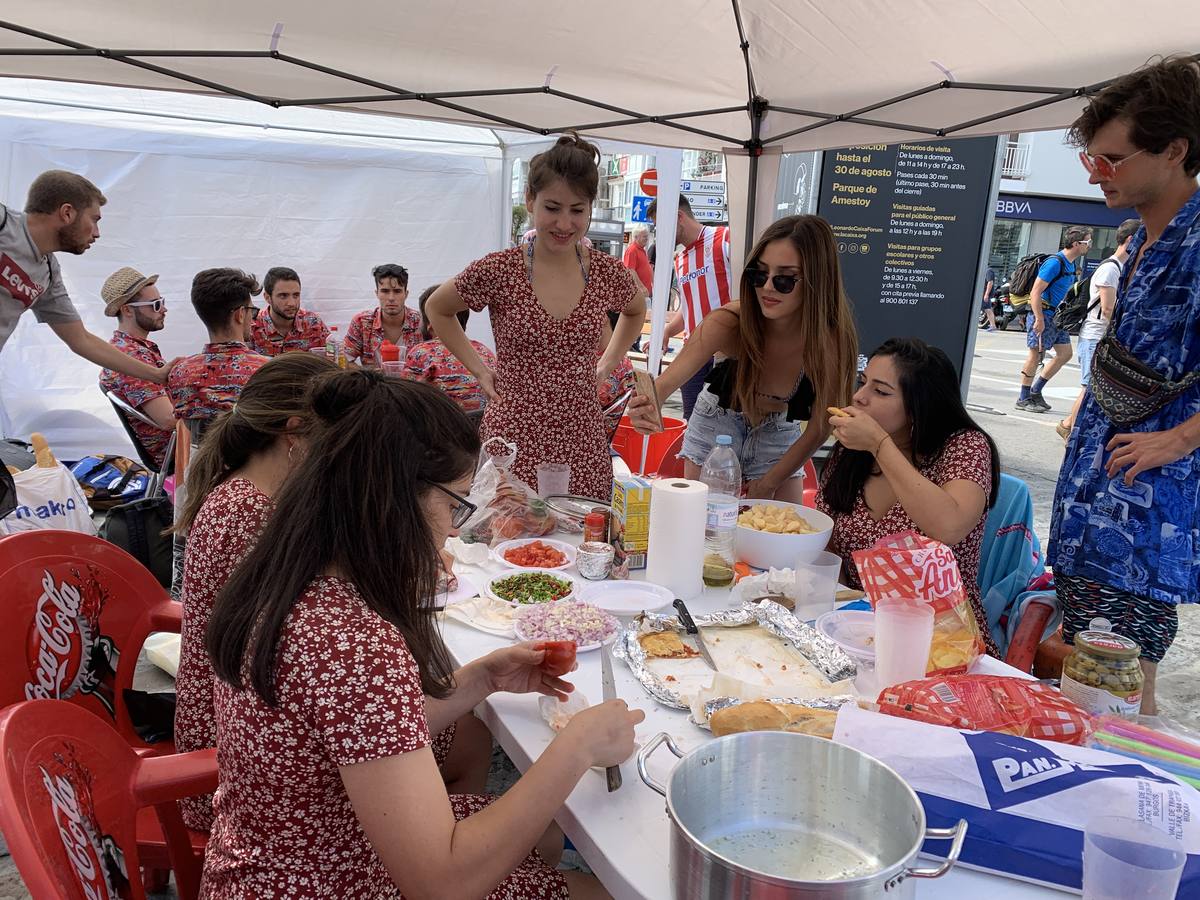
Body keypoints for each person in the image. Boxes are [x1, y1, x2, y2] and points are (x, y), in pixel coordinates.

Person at [202, 370, 640, 898]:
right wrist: (578, 746)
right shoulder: (354, 643)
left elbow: (354, 733)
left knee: (545, 834)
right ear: (390, 496)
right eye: (455, 502)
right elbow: (442, 883)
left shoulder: (284, 574)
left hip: (272, 860)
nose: (455, 528)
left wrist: (477, 681)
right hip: (331, 876)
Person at [1048, 56, 1200, 715]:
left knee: (1121, 683)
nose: (1093, 171)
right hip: (1098, 497)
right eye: (1090, 156)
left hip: (1144, 513)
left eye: (1111, 158)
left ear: (1175, 150)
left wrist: (1179, 440)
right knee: (1088, 668)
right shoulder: (1141, 239)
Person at [426, 133, 647, 502]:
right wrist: (479, 369)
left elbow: (636, 309)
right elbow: (438, 307)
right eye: (552, 207)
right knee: (504, 541)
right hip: (513, 433)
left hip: (581, 436)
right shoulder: (500, 269)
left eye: (577, 210)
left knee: (580, 539)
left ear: (590, 208)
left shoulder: (607, 272)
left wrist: (609, 362)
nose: (564, 223)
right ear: (530, 200)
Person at [173, 351, 336, 832]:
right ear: (294, 435)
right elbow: (307, 635)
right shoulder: (253, 514)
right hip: (233, 745)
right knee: (459, 735)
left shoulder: (249, 489)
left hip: (231, 709)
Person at [629, 215, 858, 502]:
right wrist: (647, 406)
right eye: (759, 274)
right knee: (707, 529)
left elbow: (821, 426)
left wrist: (770, 481)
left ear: (817, 280)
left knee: (785, 535)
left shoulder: (830, 340)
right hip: (717, 420)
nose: (768, 287)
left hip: (779, 427)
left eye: (785, 279)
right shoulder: (729, 321)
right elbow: (663, 386)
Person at [817, 338, 1001, 655]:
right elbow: (830, 543)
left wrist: (879, 445)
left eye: (881, 391)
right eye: (863, 383)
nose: (859, 398)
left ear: (919, 405)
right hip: (858, 628)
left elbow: (949, 526)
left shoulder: (965, 447)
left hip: (944, 638)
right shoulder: (852, 451)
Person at [1, 170, 174, 384]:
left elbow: (82, 340)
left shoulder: (49, 273)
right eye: (94, 220)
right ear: (67, 213)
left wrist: (156, 374)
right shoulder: (4, 224)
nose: (97, 233)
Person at [647, 195, 733, 418]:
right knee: (691, 424)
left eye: (660, 226)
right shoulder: (680, 259)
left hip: (725, 355)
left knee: (722, 424)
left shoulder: (724, 239)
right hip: (693, 355)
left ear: (678, 217)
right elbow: (688, 308)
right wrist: (666, 332)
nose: (659, 234)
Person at [1057, 218, 1141, 440]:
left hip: (1098, 337)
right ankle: (1069, 429)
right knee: (1089, 387)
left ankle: (1069, 425)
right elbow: (1107, 309)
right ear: (1131, 240)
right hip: (1095, 336)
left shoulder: (1120, 267)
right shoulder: (1110, 269)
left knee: (1092, 386)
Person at [167, 268, 268, 430]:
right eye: (252, 311)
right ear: (240, 314)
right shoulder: (266, 371)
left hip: (197, 454)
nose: (254, 319)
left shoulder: (179, 373)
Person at [97, 266, 174, 468]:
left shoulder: (128, 348)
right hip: (175, 449)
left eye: (162, 302)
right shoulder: (130, 356)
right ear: (128, 309)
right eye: (155, 305)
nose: (164, 309)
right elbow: (167, 419)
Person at [1015, 226, 1092, 413]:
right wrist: (1039, 319)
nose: (1090, 245)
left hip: (1058, 318)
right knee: (1035, 355)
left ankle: (1036, 390)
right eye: (1088, 241)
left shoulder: (1071, 263)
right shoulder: (1055, 263)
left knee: (1065, 354)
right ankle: (1023, 398)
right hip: (1044, 315)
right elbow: (1035, 292)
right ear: (1076, 243)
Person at [404, 284, 496, 413]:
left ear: (430, 325)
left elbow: (404, 402)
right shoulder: (486, 351)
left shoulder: (421, 353)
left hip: (443, 428)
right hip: (481, 427)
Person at [344, 263, 423, 365]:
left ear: (406, 294)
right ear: (377, 293)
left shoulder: (420, 322)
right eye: (385, 291)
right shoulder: (362, 322)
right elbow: (345, 359)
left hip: (411, 381)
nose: (391, 298)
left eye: (397, 291)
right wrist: (369, 376)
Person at [249, 266, 329, 356]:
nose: (292, 303)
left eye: (296, 295)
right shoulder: (252, 327)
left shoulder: (313, 323)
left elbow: (331, 358)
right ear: (267, 297)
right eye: (283, 296)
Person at [622, 225, 653, 293]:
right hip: (638, 292)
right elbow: (631, 271)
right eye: (644, 236)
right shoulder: (632, 250)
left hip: (644, 291)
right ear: (636, 237)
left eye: (647, 236)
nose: (647, 238)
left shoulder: (641, 250)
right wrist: (642, 287)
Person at [980, 259, 998, 332]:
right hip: (983, 293)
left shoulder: (988, 271)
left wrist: (986, 294)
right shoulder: (987, 270)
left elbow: (990, 283)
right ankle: (992, 325)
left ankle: (993, 326)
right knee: (987, 309)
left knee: (987, 309)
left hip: (985, 293)